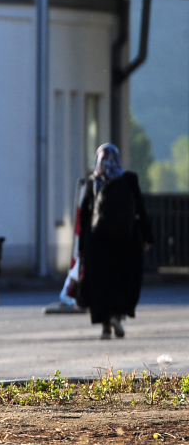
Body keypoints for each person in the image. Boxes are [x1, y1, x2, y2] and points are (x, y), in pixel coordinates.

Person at [78, 143, 153, 340]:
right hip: (125, 240)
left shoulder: (93, 182)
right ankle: (117, 316)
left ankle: (105, 325)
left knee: (100, 282)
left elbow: (84, 219)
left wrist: (81, 248)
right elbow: (140, 210)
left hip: (97, 241)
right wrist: (147, 236)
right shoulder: (129, 179)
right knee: (122, 279)